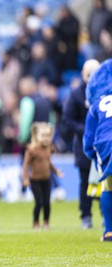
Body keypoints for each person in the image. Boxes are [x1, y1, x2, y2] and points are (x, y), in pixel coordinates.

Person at [62, 59, 100, 229]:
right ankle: (86, 215)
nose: (92, 77)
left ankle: (106, 217)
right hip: (84, 145)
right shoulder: (76, 94)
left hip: (104, 144)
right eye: (89, 74)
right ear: (84, 75)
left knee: (106, 181)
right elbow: (67, 118)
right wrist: (86, 129)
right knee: (85, 181)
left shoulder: (105, 91)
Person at [83, 58, 112, 242]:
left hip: (105, 143)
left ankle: (109, 231)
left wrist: (93, 156)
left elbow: (88, 138)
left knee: (108, 186)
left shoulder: (96, 104)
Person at [22, 122, 63, 229]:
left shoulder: (48, 148)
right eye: (43, 136)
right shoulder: (31, 149)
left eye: (48, 136)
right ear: (36, 136)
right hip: (35, 180)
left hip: (46, 179)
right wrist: (25, 179)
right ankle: (35, 222)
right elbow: (25, 166)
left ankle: (46, 222)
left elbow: (48, 162)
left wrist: (56, 171)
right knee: (39, 202)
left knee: (47, 202)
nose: (46, 138)